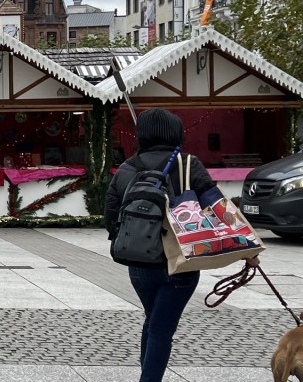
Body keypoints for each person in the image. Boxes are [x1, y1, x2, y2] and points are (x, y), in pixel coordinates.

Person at [105, 108, 258, 382]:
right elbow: (220, 208)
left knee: (154, 321)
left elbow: (110, 217)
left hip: (139, 263)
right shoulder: (188, 165)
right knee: (161, 329)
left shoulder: (126, 168)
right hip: (183, 262)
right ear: (175, 133)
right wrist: (250, 248)